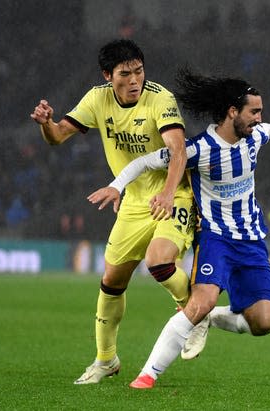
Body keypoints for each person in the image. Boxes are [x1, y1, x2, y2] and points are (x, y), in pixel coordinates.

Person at [92, 67, 270, 389]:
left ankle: (213, 318)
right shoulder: (197, 150)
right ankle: (147, 375)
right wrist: (116, 185)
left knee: (264, 322)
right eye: (254, 111)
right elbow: (143, 162)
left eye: (260, 112)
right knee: (200, 301)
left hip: (251, 240)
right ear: (232, 112)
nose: (259, 118)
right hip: (215, 239)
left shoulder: (256, 134)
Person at [30, 39, 196, 385]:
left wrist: (167, 194)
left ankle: (195, 313)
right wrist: (46, 124)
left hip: (174, 194)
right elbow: (58, 136)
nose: (134, 79)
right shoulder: (97, 99)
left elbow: (178, 151)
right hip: (134, 202)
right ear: (109, 76)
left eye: (139, 71)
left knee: (159, 261)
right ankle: (106, 360)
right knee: (111, 282)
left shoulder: (159, 98)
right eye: (125, 73)